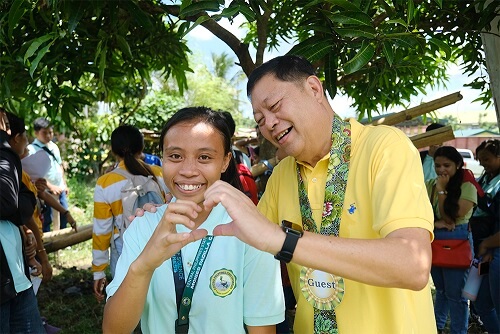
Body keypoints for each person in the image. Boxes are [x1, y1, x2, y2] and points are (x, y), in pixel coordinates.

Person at [200, 55, 437, 333]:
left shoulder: (383, 147)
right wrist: (163, 218)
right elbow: (240, 249)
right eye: (260, 120)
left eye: (275, 106)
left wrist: (282, 240)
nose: (270, 124)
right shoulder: (282, 175)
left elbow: (412, 265)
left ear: (314, 88)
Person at [103, 107, 285, 333]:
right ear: (163, 159)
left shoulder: (251, 233)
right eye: (175, 156)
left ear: (226, 161)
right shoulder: (143, 226)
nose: (188, 171)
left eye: (204, 157)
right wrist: (143, 266)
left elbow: (262, 327)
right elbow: (113, 329)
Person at [92, 125, 167, 303]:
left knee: (127, 298)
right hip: (160, 241)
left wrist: (98, 270)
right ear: (141, 147)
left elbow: (102, 230)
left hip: (124, 247)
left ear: (113, 150)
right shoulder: (160, 173)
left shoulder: (106, 182)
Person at [0, 108, 45, 333]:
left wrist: (25, 235)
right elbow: (12, 206)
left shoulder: (12, 167)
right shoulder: (6, 157)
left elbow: (16, 216)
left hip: (16, 275)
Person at [425, 146, 478, 334]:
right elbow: (421, 214)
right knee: (441, 290)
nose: (441, 170)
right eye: (437, 165)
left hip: (458, 243)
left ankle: (458, 330)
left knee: (457, 295)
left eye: (446, 165)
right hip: (435, 241)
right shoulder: (430, 184)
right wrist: (434, 223)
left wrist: (441, 191)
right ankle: (437, 327)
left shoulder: (467, 187)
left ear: (458, 165)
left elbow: (451, 218)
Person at [6, 112, 54, 283]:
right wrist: (41, 256)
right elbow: (22, 215)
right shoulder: (13, 173)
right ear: (17, 138)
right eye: (25, 138)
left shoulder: (19, 173)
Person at [470, 139, 500, 333]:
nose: (483, 164)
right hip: (485, 247)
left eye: (487, 159)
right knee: (480, 301)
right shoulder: (486, 178)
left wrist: (488, 245)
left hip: (492, 247)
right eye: (480, 160)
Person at [27, 117, 69, 232]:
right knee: (47, 218)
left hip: (59, 188)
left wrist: (64, 184)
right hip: (45, 191)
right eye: (44, 133)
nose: (48, 135)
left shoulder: (54, 147)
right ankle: (48, 243)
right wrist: (50, 187)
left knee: (64, 213)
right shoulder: (31, 150)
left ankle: (64, 242)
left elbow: (59, 165)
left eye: (50, 132)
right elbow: (34, 173)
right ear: (36, 133)